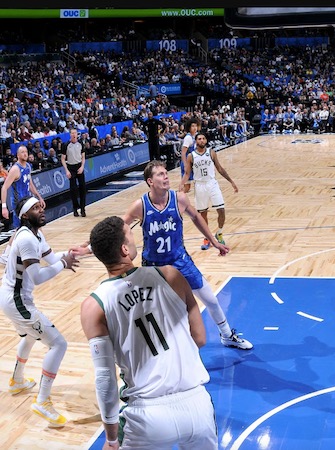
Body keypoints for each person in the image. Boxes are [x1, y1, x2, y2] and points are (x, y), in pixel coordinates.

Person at [81, 216, 217, 449]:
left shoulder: (94, 306)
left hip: (147, 417)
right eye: (131, 234)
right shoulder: (171, 275)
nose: (136, 239)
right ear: (125, 249)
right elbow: (200, 338)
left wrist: (112, 439)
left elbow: (105, 379)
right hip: (197, 406)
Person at [122, 160, 252, 350]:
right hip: (153, 267)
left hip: (179, 260)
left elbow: (197, 217)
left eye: (166, 173)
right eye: (160, 174)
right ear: (150, 181)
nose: (165, 176)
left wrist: (214, 241)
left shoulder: (180, 199)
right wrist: (91, 246)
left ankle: (226, 335)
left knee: (211, 299)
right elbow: (118, 228)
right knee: (153, 312)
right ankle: (151, 351)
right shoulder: (140, 205)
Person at [0, 196, 80, 426]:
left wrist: (78, 252)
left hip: (13, 298)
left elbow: (53, 259)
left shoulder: (36, 234)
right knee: (59, 344)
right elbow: (38, 276)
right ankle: (42, 401)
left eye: (41, 206)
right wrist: (64, 264)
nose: (41, 209)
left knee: (30, 336)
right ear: (25, 215)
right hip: (16, 301)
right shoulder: (25, 238)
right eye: (35, 208)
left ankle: (16, 381)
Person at [180, 131, 238, 250]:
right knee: (203, 214)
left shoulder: (211, 152)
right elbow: (187, 173)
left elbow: (220, 168)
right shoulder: (191, 156)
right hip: (200, 186)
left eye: (203, 138)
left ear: (206, 140)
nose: (201, 140)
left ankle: (219, 232)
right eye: (199, 139)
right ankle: (207, 238)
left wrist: (231, 181)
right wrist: (181, 184)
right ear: (196, 141)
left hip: (212, 183)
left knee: (221, 209)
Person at [1, 145, 45, 229]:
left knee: (36, 226)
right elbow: (4, 188)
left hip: (28, 201)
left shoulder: (28, 166)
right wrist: (4, 207)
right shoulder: (15, 169)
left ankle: (39, 241)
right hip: (19, 205)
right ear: (18, 155)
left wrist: (39, 197)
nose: (25, 154)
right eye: (22, 152)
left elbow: (30, 184)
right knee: (19, 230)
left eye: (26, 152)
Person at [60, 129, 87, 217]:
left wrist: (82, 166)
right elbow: (63, 159)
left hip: (79, 166)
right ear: (70, 135)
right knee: (73, 189)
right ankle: (75, 208)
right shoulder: (66, 145)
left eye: (75, 133)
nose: (74, 135)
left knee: (82, 188)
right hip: (71, 167)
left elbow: (83, 156)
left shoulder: (80, 143)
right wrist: (66, 170)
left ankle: (83, 208)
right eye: (72, 133)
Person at [180, 118, 200, 193]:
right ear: (189, 128)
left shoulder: (195, 136)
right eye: (193, 126)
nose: (195, 128)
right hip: (187, 163)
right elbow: (183, 152)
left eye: (196, 126)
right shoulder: (188, 138)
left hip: (193, 163)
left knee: (194, 185)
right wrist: (185, 165)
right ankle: (177, 197)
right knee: (186, 187)